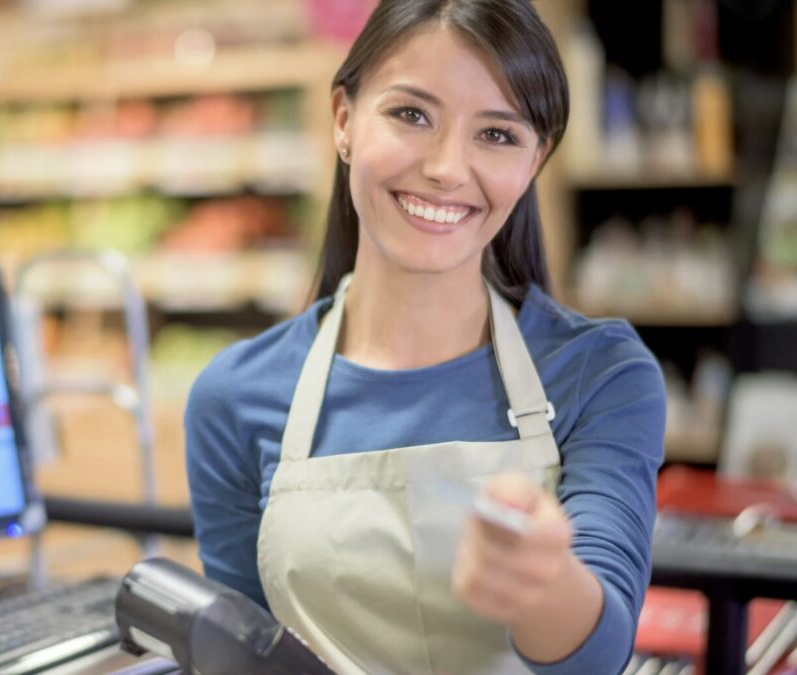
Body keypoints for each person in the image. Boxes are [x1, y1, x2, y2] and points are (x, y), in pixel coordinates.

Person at [183, 1, 666, 673]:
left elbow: (600, 655)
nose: (445, 167)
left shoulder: (601, 373)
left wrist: (541, 580)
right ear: (345, 121)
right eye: (411, 114)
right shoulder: (233, 396)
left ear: (536, 160)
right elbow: (242, 655)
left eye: (497, 135)